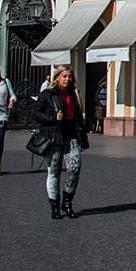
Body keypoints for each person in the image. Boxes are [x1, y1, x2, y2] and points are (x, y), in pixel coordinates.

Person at [34, 65, 89, 220]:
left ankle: (67, 201)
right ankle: (54, 205)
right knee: (54, 172)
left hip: (71, 136)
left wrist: (83, 139)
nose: (67, 79)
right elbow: (36, 114)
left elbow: (79, 119)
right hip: (54, 137)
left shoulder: (75, 94)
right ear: (57, 77)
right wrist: (52, 118)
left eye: (70, 76)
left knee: (75, 168)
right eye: (64, 76)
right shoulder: (47, 94)